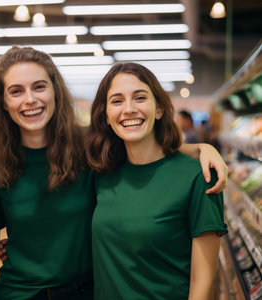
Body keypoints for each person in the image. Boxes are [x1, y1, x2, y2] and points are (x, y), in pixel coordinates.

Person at [0, 46, 228, 300]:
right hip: (19, 293)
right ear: (3, 102)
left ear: (55, 91)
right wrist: (18, 245)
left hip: (83, 291)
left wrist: (201, 148)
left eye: (39, 86)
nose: (29, 99)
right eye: (16, 91)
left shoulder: (86, 149)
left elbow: (143, 143)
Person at [85, 62, 227, 299]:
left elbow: (202, 279)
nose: (128, 109)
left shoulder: (198, 176)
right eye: (117, 101)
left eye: (140, 98)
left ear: (159, 108)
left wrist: (205, 148)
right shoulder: (101, 173)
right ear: (106, 116)